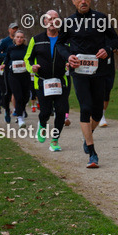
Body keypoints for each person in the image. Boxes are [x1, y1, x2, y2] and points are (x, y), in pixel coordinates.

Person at [59, 0, 118, 168]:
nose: (83, 1)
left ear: (90, 0)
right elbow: (61, 44)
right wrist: (68, 56)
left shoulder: (101, 19)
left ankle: (87, 138)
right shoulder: (68, 22)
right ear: (73, 1)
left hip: (99, 70)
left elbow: (114, 39)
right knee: (85, 107)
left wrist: (108, 49)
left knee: (98, 111)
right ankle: (92, 153)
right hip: (79, 71)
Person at [26, 10, 71, 151]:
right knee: (45, 111)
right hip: (42, 81)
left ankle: (55, 141)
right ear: (45, 22)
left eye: (55, 19)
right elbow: (27, 59)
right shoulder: (36, 39)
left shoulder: (66, 39)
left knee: (61, 111)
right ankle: (42, 123)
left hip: (61, 80)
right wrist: (31, 67)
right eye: (49, 19)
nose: (52, 21)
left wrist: (70, 62)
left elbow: (72, 54)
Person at [0, 22, 20, 123]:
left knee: (19, 92)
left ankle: (19, 112)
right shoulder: (5, 41)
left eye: (16, 28)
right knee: (7, 92)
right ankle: (7, 111)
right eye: (13, 29)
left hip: (19, 70)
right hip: (7, 70)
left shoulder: (20, 41)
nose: (15, 30)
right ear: (9, 30)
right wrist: (8, 55)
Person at [3, 30, 32, 127]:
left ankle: (21, 110)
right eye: (17, 37)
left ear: (24, 39)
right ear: (14, 38)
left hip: (25, 75)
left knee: (26, 96)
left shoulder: (27, 48)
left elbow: (31, 60)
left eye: (21, 37)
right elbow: (7, 60)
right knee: (18, 96)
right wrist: (4, 65)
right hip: (13, 76)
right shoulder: (10, 48)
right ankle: (20, 118)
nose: (19, 39)